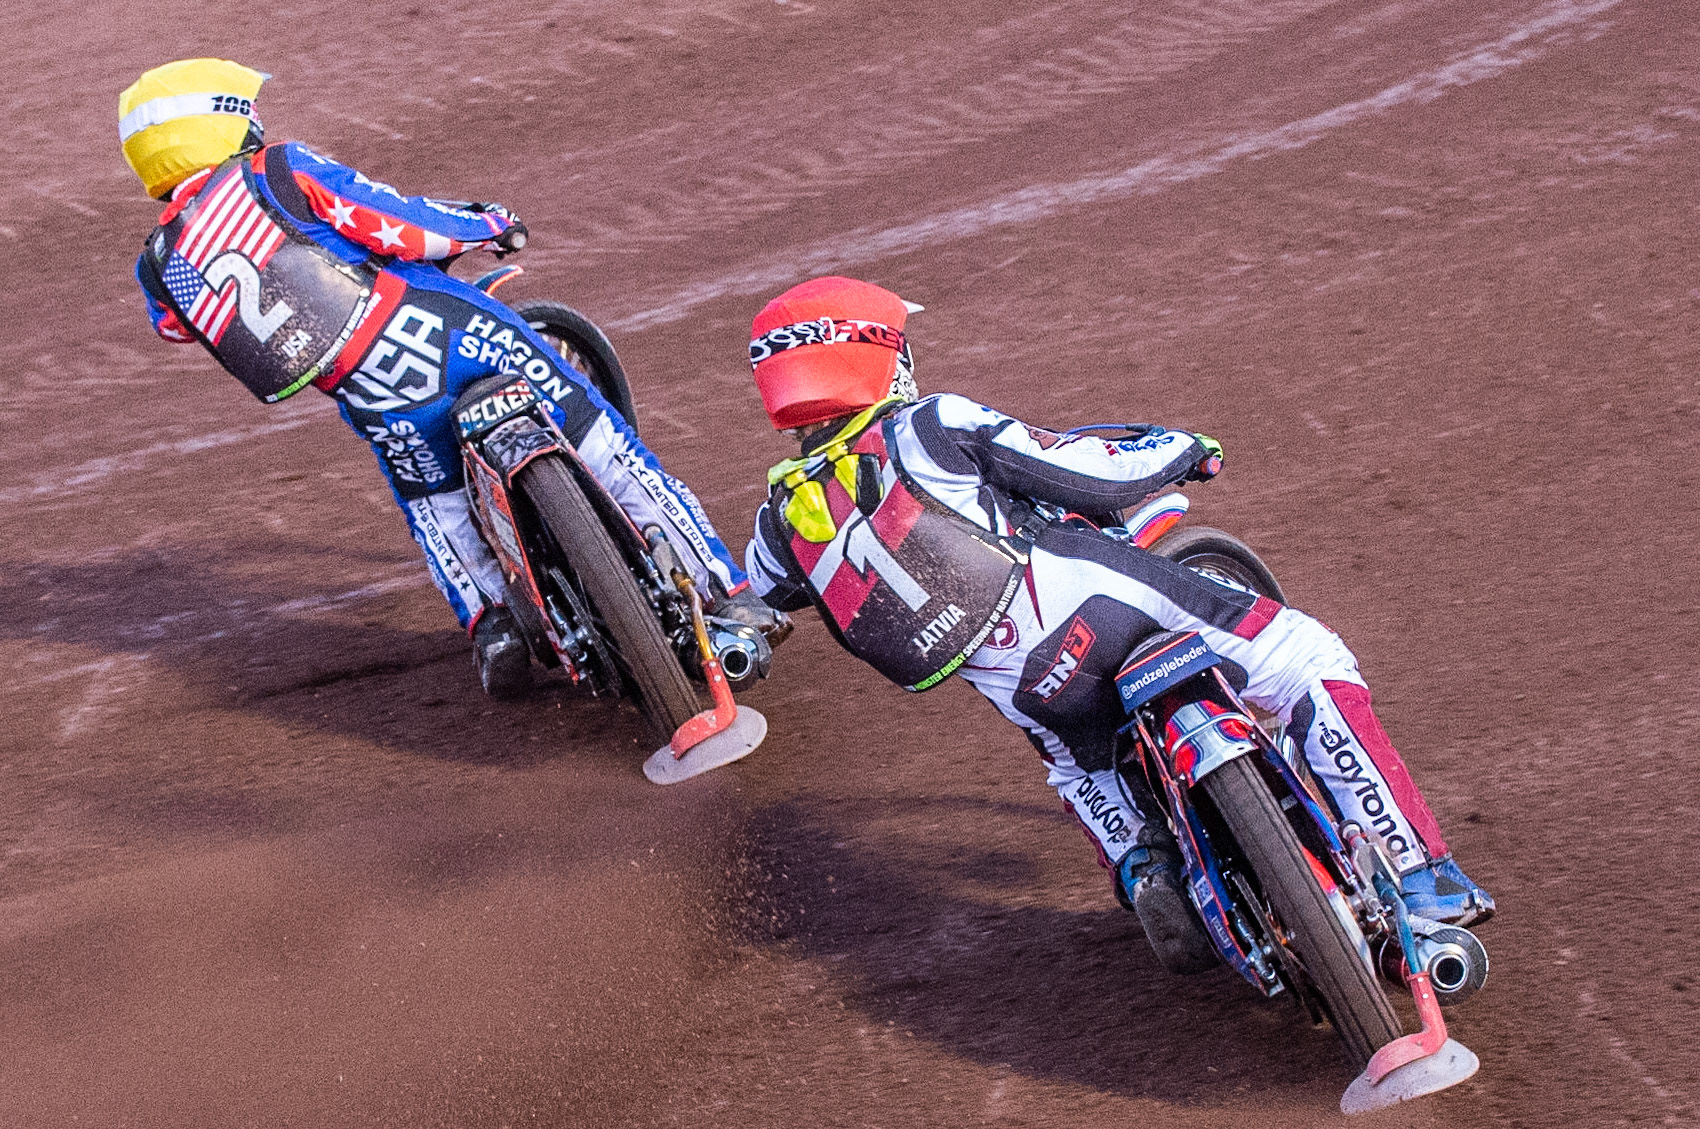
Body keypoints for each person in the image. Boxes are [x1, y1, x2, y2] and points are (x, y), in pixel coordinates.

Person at [739, 275, 1494, 973]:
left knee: (1078, 766)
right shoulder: (931, 424)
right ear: (872, 355)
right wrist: (1183, 450)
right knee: (1304, 655)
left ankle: (1146, 866)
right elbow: (1087, 471)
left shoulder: (781, 522)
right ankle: (1423, 877)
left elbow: (754, 603)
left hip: (1028, 685)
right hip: (1095, 600)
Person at [121, 59, 778, 698]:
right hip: (453, 334)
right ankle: (725, 593)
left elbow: (177, 327)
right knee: (602, 440)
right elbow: (398, 225)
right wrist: (487, 224)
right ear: (223, 123)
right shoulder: (277, 171)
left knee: (432, 500)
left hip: (371, 391)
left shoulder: (160, 268)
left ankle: (494, 626)